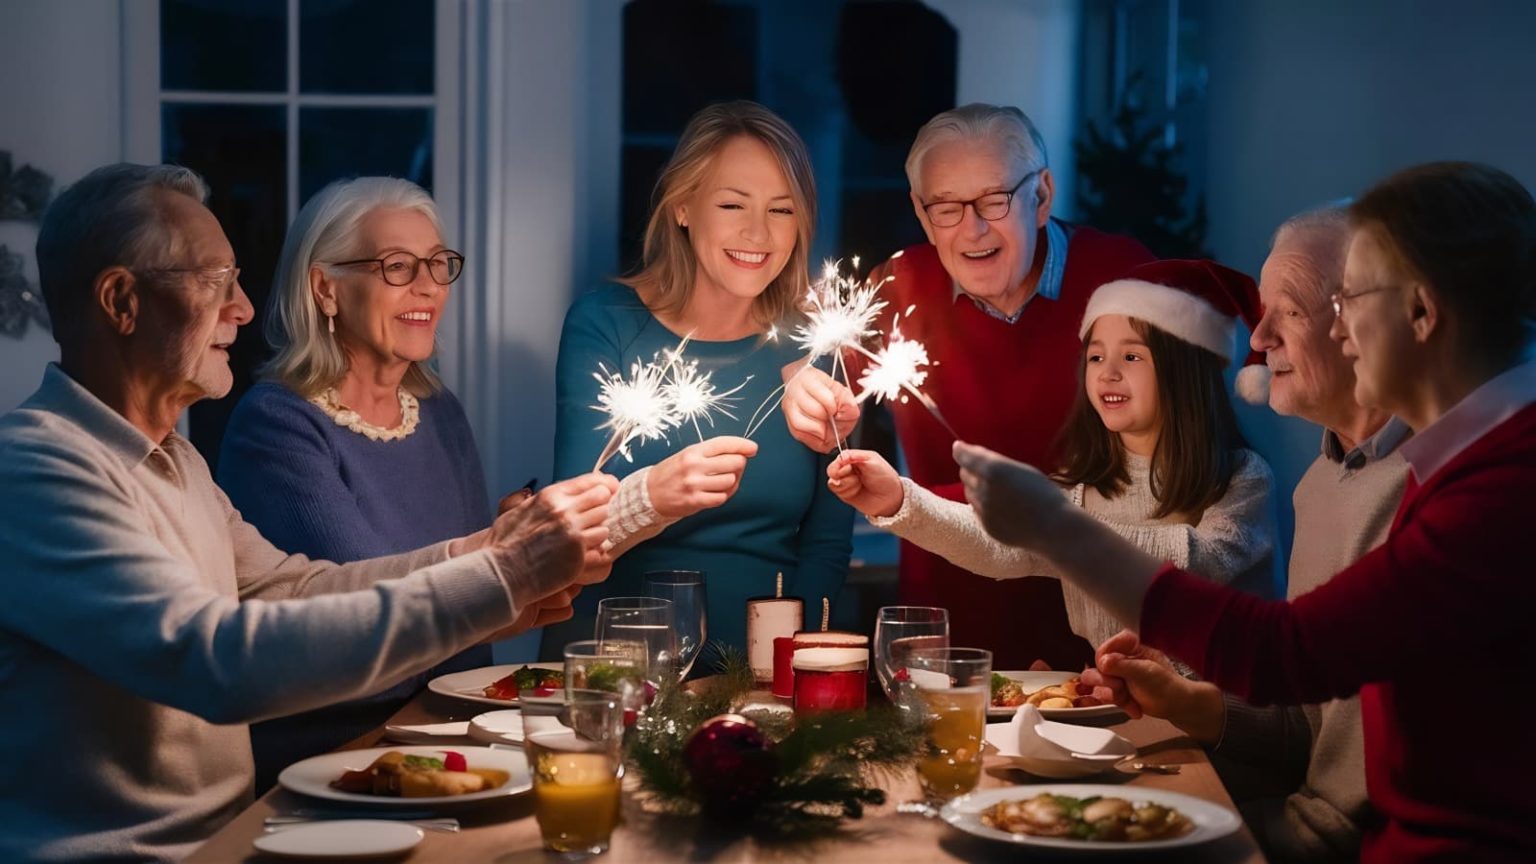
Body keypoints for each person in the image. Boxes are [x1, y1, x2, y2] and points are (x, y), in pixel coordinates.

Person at [0, 163, 616, 863]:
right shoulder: (36, 470)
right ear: (121, 301)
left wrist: (488, 552)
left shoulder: (176, 461)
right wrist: (502, 573)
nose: (242, 308)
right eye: (214, 281)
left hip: (244, 833)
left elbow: (294, 586)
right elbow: (219, 661)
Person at [953, 161, 1536, 862]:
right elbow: (1314, 718)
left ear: (1421, 312)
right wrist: (1190, 703)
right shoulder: (1414, 468)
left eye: (1351, 299)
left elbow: (1285, 653)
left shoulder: (1498, 484)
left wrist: (1058, 528)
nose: (1259, 342)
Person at [1077, 207, 1410, 862]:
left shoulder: (1428, 489)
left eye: (1287, 311)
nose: (1258, 339)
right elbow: (1308, 732)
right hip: (1292, 817)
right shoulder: (1320, 482)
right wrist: (1187, 701)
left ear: (1365, 322)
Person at [780, 103, 1154, 669]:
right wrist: (801, 383)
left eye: (994, 200)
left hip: (1106, 636)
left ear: (1043, 196)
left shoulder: (1128, 282)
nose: (972, 229)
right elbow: (817, 367)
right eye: (947, 208)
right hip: (945, 635)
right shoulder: (898, 286)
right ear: (922, 214)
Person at [218, 177, 525, 792]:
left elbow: (466, 633)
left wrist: (517, 554)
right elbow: (377, 634)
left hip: (451, 739)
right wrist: (504, 565)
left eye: (439, 265)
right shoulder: (277, 424)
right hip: (336, 765)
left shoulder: (439, 410)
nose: (429, 287)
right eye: (397, 266)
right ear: (325, 288)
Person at [826, 259, 1279, 652]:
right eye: (1096, 357)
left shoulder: (1242, 478)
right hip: (1121, 717)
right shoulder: (1085, 486)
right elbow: (1002, 546)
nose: (1109, 373)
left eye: (1133, 357)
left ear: (1185, 372)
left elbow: (1205, 560)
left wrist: (1057, 529)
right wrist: (898, 501)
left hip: (1222, 731)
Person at [546, 101, 853, 656]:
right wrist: (659, 497)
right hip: (620, 669)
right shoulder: (605, 324)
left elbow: (828, 544)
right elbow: (572, 533)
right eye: (733, 203)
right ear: (683, 207)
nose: (757, 232)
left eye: (781, 211)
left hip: (768, 676)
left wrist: (791, 663)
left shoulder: (813, 346)